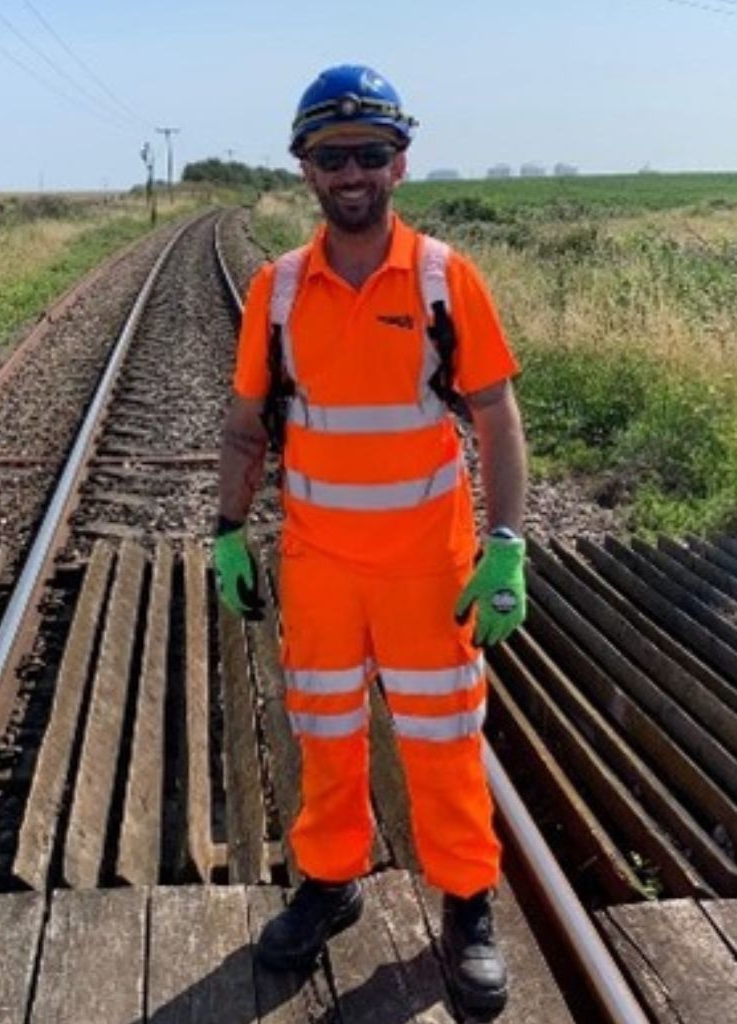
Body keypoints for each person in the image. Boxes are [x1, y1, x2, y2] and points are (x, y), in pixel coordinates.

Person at [214, 64, 527, 1018]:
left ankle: (467, 902)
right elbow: (244, 427)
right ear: (303, 168)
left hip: (428, 567)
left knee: (442, 740)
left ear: (400, 162)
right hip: (319, 567)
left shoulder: (443, 279)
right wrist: (228, 533)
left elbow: (497, 418)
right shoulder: (274, 292)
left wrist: (506, 543)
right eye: (331, 155)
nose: (351, 171)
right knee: (325, 736)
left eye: (370, 154)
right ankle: (332, 882)